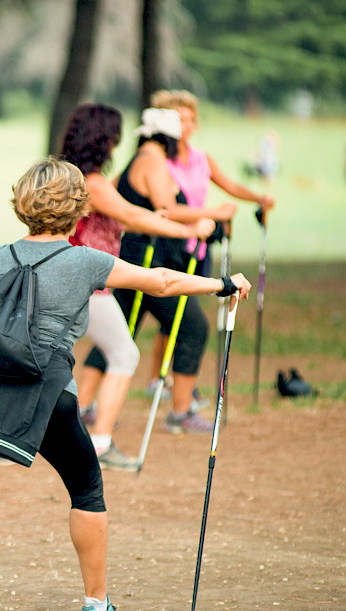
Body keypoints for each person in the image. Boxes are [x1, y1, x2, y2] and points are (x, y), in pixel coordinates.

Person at [0, 157, 250, 611]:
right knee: (86, 488)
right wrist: (222, 284)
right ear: (79, 209)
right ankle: (96, 608)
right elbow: (162, 283)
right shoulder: (86, 260)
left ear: (23, 203)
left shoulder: (0, 257)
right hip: (45, 392)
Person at [58, 104, 214, 470]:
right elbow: (130, 214)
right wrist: (188, 229)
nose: (116, 144)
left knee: (67, 354)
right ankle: (98, 442)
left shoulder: (70, 175)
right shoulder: (92, 181)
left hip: (74, 277)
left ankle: (58, 429)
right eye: (112, 136)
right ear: (103, 140)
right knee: (124, 354)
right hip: (91, 282)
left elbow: (126, 213)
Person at [143, 90, 276, 402]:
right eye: (179, 120)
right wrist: (214, 214)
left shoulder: (202, 159)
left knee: (186, 314)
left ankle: (179, 381)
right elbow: (165, 207)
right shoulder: (159, 160)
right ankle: (158, 380)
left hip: (198, 246)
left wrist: (258, 198)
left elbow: (229, 185)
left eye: (190, 119)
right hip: (168, 243)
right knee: (172, 316)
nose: (186, 126)